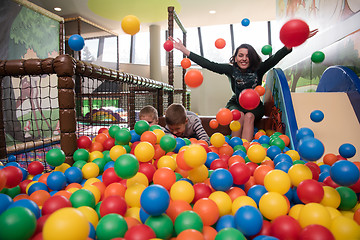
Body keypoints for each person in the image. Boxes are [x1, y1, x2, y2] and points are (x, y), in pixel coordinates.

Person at [169, 29, 318, 142]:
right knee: (238, 115)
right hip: (236, 104)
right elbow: (209, 64)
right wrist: (185, 50)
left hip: (254, 107)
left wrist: (292, 43)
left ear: (252, 58)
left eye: (247, 56)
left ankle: (245, 148)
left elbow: (275, 59)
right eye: (241, 55)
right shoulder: (230, 70)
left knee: (249, 117)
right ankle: (235, 148)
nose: (244, 59)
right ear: (235, 57)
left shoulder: (258, 69)